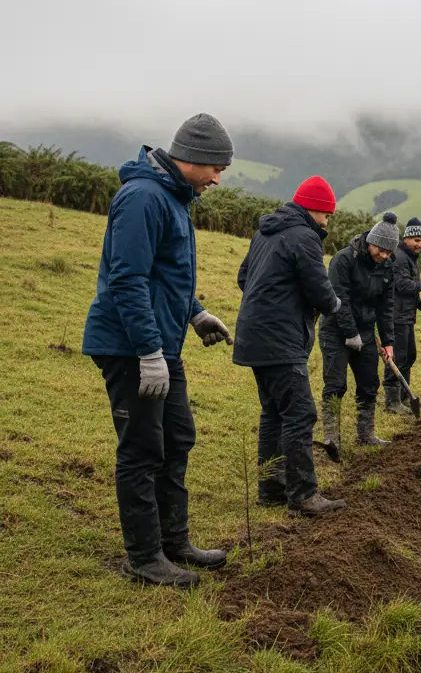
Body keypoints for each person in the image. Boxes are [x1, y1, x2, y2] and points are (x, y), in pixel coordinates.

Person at [82, 114, 235, 588]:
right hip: (131, 346)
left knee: (177, 437)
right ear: (193, 158)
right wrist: (148, 350)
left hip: (163, 341)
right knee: (143, 447)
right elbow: (128, 279)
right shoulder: (143, 198)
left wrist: (196, 313)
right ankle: (144, 556)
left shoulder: (173, 198)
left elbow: (166, 275)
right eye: (216, 169)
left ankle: (175, 541)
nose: (217, 179)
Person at [233, 176, 346, 517]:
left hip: (253, 336)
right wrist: (335, 306)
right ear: (316, 209)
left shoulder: (264, 233)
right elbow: (320, 291)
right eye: (327, 214)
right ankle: (303, 495)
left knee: (273, 412)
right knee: (300, 413)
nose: (327, 222)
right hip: (281, 340)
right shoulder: (305, 237)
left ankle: (271, 488)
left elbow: (244, 278)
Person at [319, 211, 398, 447]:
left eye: (389, 252)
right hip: (335, 330)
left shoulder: (387, 266)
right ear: (370, 241)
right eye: (381, 250)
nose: (384, 256)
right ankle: (332, 438)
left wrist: (388, 341)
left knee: (369, 383)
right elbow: (338, 298)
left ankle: (366, 435)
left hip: (365, 330)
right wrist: (349, 333)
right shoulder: (344, 260)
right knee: (335, 384)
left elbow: (386, 306)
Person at [384, 217, 421, 414]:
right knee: (397, 358)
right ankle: (392, 402)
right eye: (416, 240)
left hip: (407, 316)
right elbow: (403, 286)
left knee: (409, 356)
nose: (420, 244)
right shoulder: (399, 257)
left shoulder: (411, 259)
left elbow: (410, 293)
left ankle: (404, 395)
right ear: (407, 238)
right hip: (396, 317)